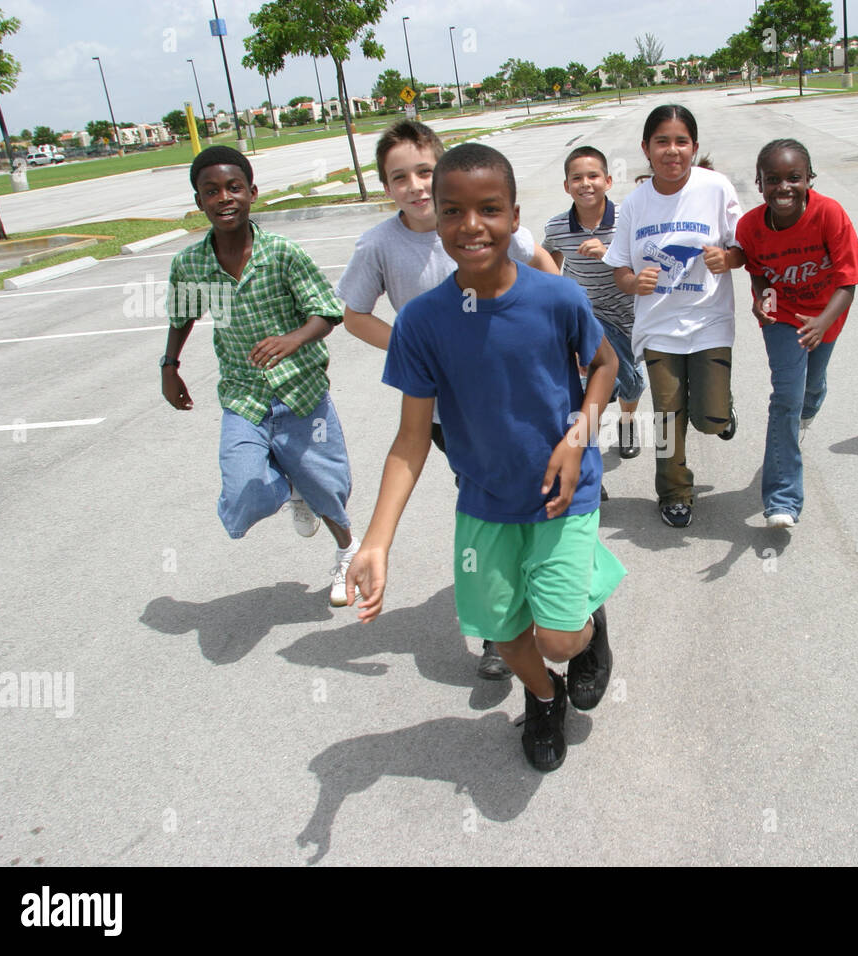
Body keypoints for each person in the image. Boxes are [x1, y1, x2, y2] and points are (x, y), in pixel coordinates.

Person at [345, 143, 625, 773]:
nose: (472, 226)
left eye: (489, 210)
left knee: (558, 634)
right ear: (437, 219)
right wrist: (376, 540)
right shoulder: (422, 323)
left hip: (563, 492)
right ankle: (545, 698)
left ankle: (585, 621)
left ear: (515, 216)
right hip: (485, 501)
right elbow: (411, 441)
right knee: (502, 632)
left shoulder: (556, 298)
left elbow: (604, 365)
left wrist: (578, 438)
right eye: (454, 212)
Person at [337, 119, 557, 680]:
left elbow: (543, 265)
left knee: (527, 497)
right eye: (397, 177)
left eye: (423, 172)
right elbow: (354, 315)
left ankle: (561, 598)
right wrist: (413, 351)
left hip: (511, 392)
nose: (412, 185)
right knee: (482, 495)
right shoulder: (380, 245)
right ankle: (498, 628)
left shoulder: (475, 219)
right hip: (445, 408)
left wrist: (566, 333)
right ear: (385, 186)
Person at [160, 145, 359, 604]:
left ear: (251, 192)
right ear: (199, 202)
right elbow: (182, 315)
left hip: (301, 393)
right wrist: (170, 366)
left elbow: (327, 313)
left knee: (330, 488)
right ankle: (291, 484)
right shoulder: (190, 264)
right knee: (246, 498)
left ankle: (348, 552)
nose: (223, 197)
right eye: (211, 191)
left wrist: (293, 339)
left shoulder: (282, 253)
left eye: (233, 187)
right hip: (243, 397)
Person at [604, 105, 744, 527]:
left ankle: (721, 408)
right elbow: (619, 268)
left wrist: (728, 257)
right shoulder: (634, 205)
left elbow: (744, 247)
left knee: (707, 417)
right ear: (645, 149)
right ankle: (673, 493)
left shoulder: (716, 189)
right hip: (659, 328)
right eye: (662, 141)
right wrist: (633, 283)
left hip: (709, 322)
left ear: (694, 147)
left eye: (681, 141)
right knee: (667, 414)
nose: (672, 151)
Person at [735, 138, 858, 528]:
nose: (784, 187)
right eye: (772, 179)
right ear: (759, 184)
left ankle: (806, 413)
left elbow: (848, 282)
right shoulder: (750, 226)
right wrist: (762, 299)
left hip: (826, 314)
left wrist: (823, 322)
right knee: (786, 399)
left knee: (811, 390)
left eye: (794, 177)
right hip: (783, 320)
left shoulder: (830, 214)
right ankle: (782, 499)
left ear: (810, 178)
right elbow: (757, 270)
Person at [543, 145, 645, 460]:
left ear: (608, 181)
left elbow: (645, 268)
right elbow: (549, 266)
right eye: (577, 178)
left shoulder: (628, 221)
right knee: (593, 385)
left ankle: (628, 421)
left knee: (633, 385)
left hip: (630, 317)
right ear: (566, 186)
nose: (585, 184)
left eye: (593, 176)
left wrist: (608, 254)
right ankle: (589, 452)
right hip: (588, 318)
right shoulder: (557, 228)